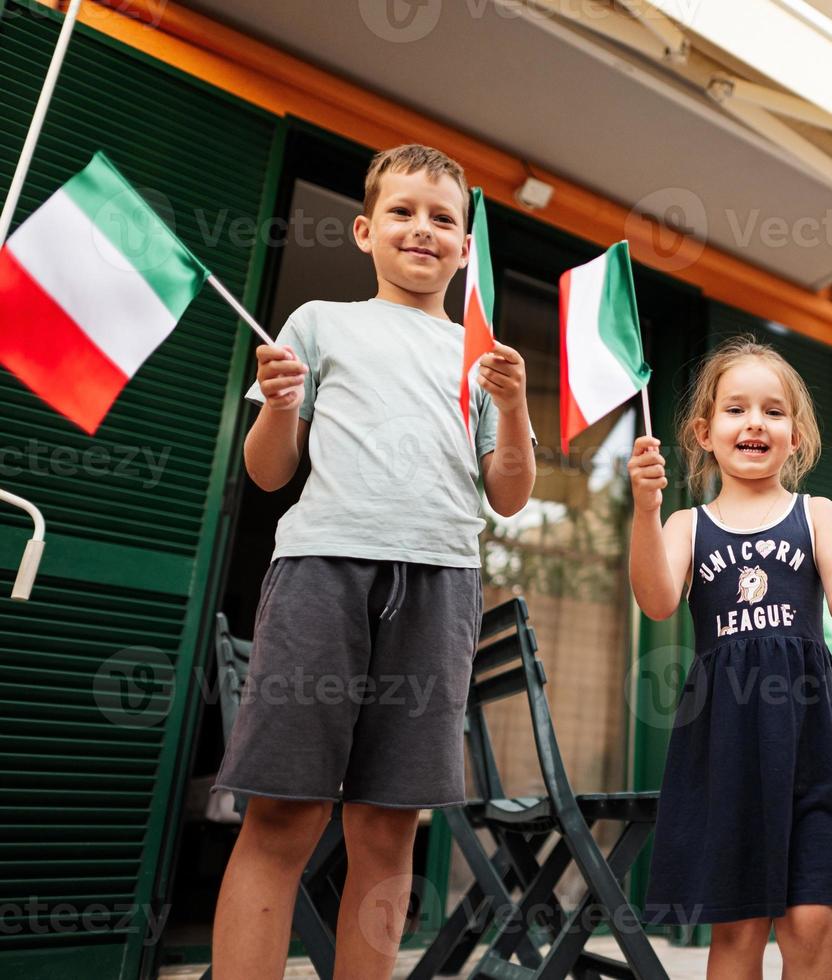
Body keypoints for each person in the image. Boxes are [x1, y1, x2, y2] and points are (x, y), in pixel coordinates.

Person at [211, 144, 535, 979]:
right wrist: (280, 406)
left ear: (467, 247)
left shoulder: (480, 357)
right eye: (402, 211)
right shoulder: (319, 323)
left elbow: (508, 494)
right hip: (325, 571)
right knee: (283, 814)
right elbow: (268, 471)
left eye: (443, 219)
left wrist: (514, 405)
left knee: (389, 826)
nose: (421, 229)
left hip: (441, 584)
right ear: (364, 230)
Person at [626, 336, 832, 979]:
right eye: (736, 409)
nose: (755, 423)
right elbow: (657, 601)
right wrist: (645, 510)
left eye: (774, 412)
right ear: (704, 432)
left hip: (807, 744)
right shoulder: (689, 525)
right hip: (725, 747)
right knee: (739, 927)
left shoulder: (817, 513)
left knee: (810, 923)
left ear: (795, 436)